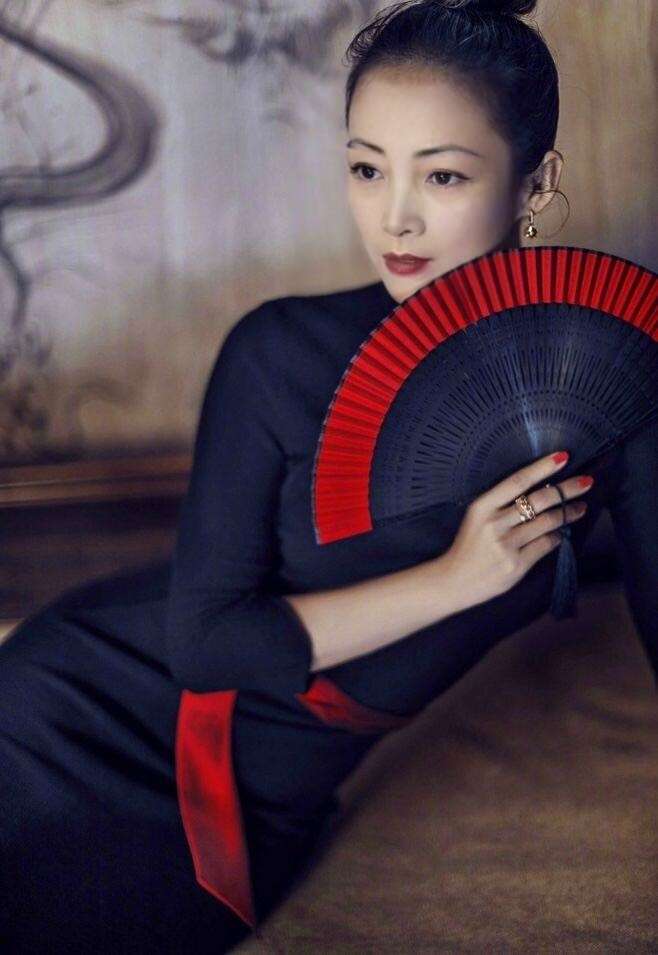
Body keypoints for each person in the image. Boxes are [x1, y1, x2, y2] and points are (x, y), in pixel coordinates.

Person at [1, 0, 656, 951]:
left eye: (442, 174)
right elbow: (206, 645)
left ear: (534, 181)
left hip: (268, 803)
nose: (395, 216)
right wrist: (458, 577)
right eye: (366, 168)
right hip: (72, 714)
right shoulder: (280, 354)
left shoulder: (612, 374)